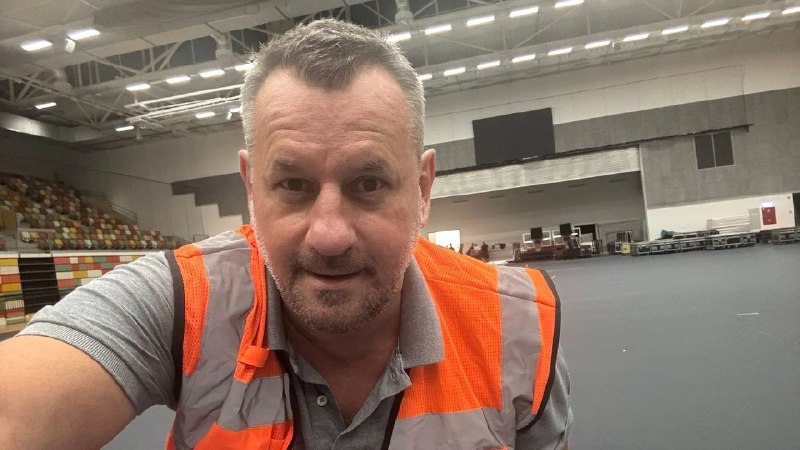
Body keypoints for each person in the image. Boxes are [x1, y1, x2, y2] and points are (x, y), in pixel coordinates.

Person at [0, 19, 571, 449]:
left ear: (422, 189)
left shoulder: (517, 325)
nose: (329, 235)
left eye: (368, 183)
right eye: (294, 185)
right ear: (251, 187)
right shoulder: (179, 303)